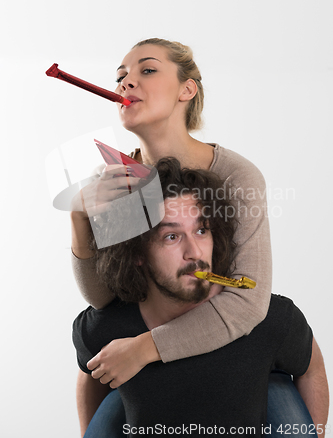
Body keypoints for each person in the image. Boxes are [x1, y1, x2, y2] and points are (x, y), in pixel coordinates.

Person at [70, 38, 311, 434]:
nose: (126, 83)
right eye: (120, 77)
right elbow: (105, 297)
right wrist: (80, 217)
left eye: (146, 70)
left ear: (187, 89)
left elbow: (247, 304)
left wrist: (144, 349)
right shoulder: (118, 179)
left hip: (233, 355)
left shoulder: (238, 176)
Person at [73, 158, 329, 437]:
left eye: (201, 230)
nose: (194, 251)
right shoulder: (105, 327)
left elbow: (311, 367)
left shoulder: (267, 319)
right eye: (171, 236)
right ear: (136, 254)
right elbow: (92, 374)